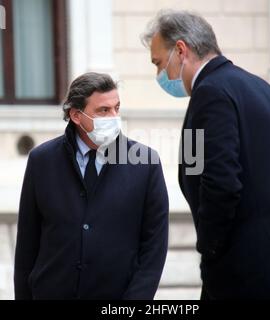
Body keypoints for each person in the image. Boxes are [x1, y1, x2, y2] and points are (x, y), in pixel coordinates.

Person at [142, 9, 270, 299]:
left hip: (247, 267)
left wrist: (209, 250)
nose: (159, 74)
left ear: (180, 50)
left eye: (159, 64)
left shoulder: (210, 92)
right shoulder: (260, 87)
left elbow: (221, 183)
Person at [14, 72, 169, 300]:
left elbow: (154, 250)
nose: (114, 117)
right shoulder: (41, 160)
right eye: (103, 111)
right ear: (76, 115)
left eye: (117, 108)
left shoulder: (146, 163)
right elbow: (27, 245)